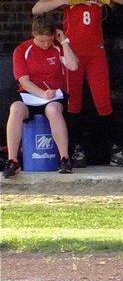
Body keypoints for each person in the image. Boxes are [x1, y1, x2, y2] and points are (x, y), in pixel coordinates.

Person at [31, 0, 123, 168]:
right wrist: (66, 1)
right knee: (74, 102)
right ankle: (75, 149)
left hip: (96, 53)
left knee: (103, 101)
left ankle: (116, 150)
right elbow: (37, 8)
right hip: (73, 54)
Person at [3, 16, 78, 178]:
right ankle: (12, 159)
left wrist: (64, 41)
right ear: (34, 35)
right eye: (42, 41)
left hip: (54, 96)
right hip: (30, 95)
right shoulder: (22, 51)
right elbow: (24, 80)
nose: (46, 45)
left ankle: (64, 157)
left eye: (49, 41)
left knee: (53, 110)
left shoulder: (57, 48)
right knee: (15, 108)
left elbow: (73, 65)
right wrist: (42, 94)